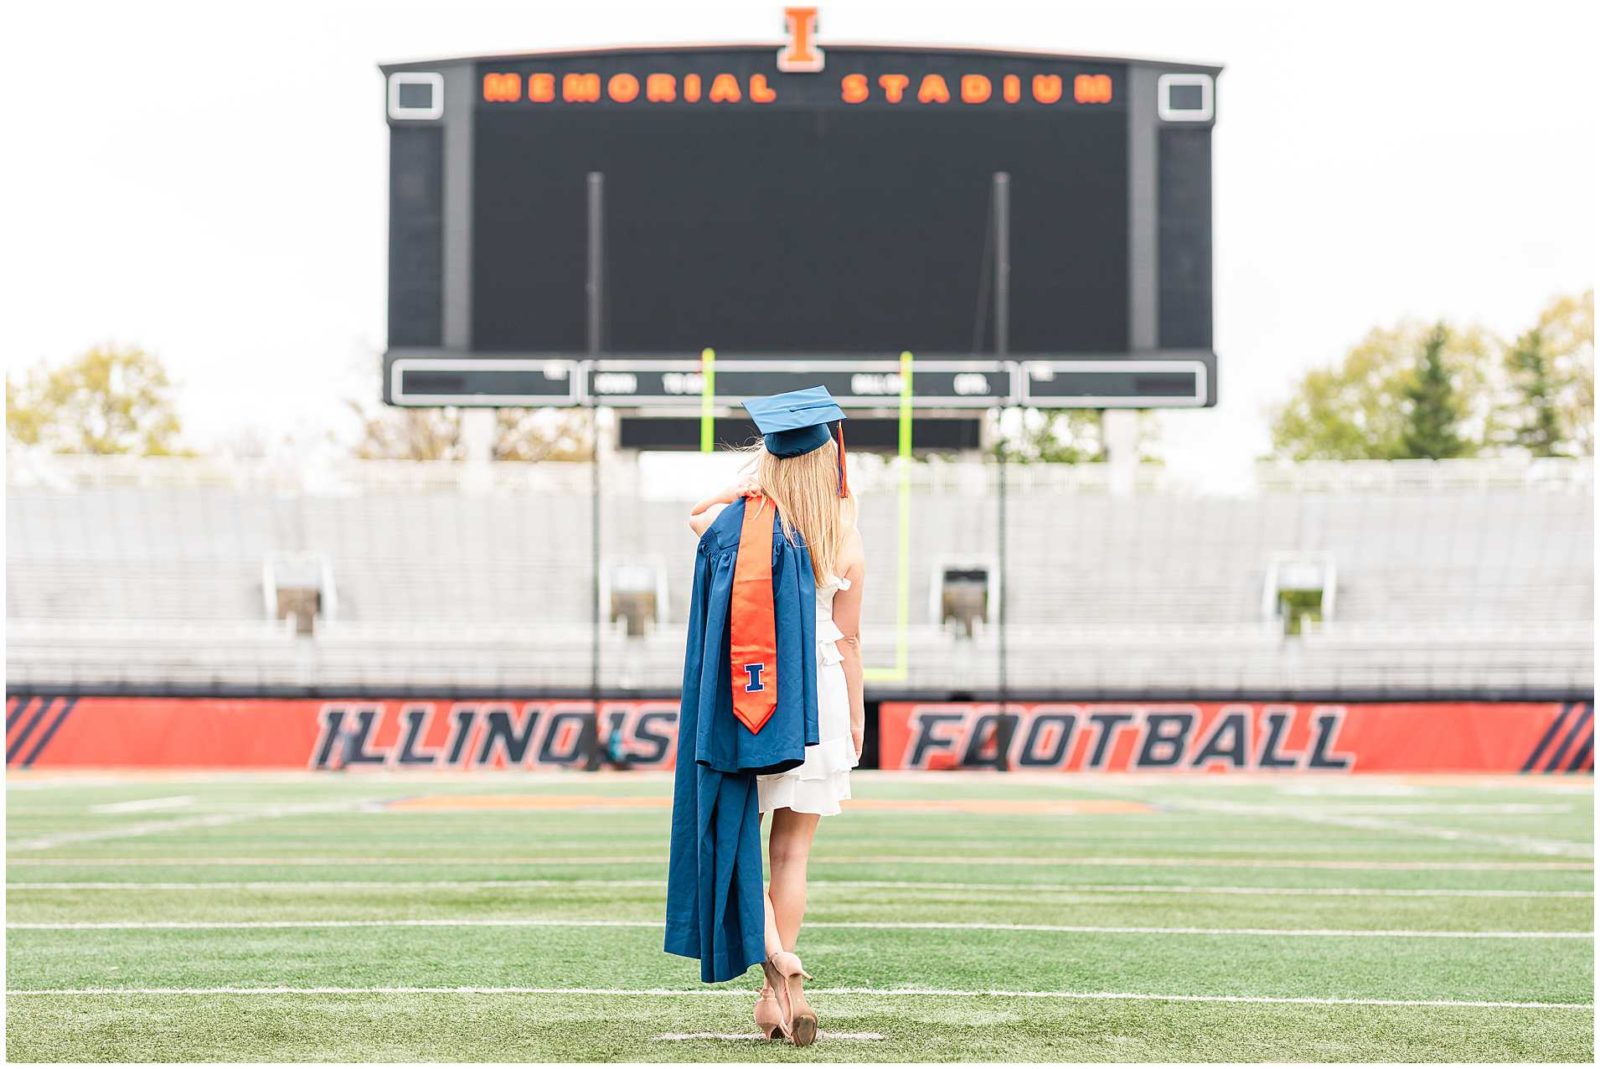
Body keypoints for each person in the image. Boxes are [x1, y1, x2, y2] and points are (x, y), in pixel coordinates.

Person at [683, 387, 866, 1046]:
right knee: (792, 854)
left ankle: (776, 966)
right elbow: (848, 642)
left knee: (737, 840)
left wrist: (738, 496)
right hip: (822, 699)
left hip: (754, 699)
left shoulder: (746, 526)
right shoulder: (845, 536)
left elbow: (697, 518)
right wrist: (857, 717)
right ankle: (776, 995)